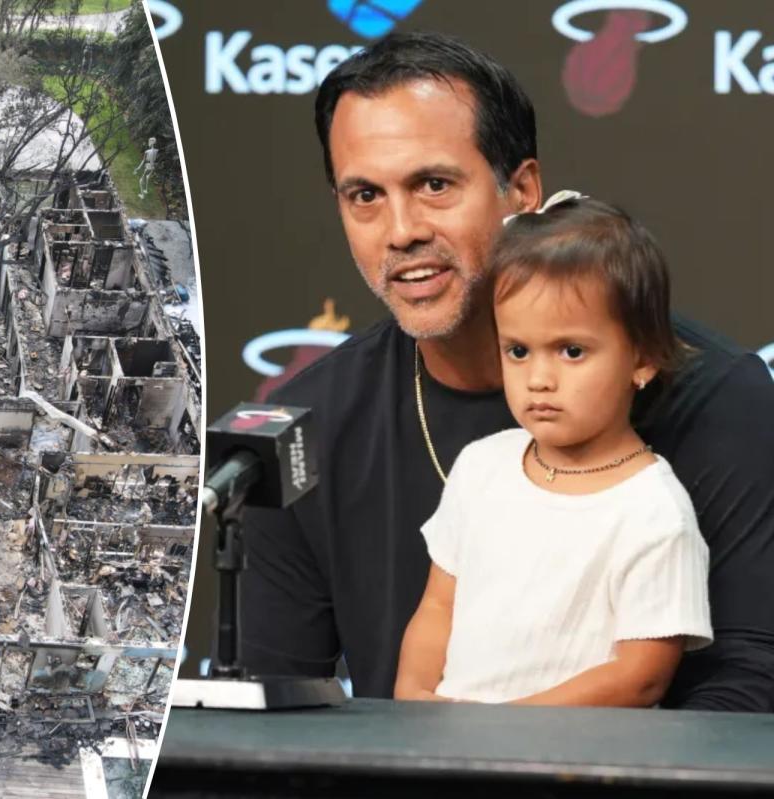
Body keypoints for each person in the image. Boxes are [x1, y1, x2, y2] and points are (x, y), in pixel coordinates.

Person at [239, 31, 774, 711]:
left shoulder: (720, 398)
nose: (400, 230)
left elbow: (749, 695)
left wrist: (509, 750)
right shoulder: (299, 430)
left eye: (433, 185)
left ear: (521, 190)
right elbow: (273, 715)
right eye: (364, 195)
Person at [394, 195, 712, 706]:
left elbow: (641, 674)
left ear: (643, 358)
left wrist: (506, 726)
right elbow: (438, 607)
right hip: (450, 743)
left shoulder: (654, 512)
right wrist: (413, 696)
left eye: (572, 351)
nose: (539, 379)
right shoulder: (481, 466)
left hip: (565, 753)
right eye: (518, 351)